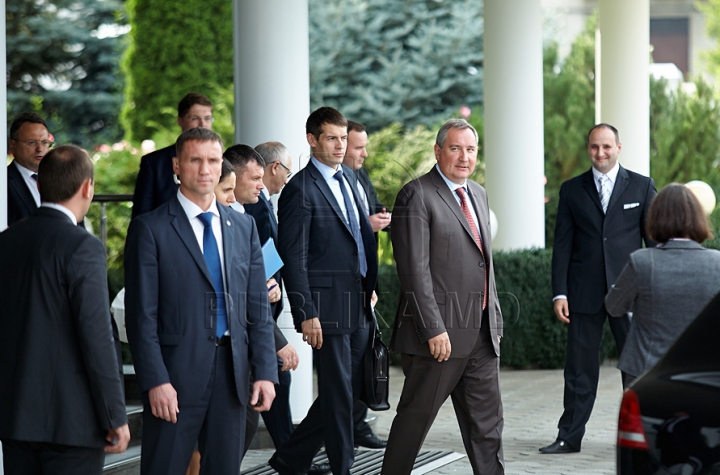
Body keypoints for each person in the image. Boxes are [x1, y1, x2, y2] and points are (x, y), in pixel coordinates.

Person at [124, 127, 278, 475]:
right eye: (195, 160)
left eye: (213, 160)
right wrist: (155, 381)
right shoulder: (150, 229)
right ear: (177, 166)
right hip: (174, 380)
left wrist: (266, 372)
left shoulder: (243, 227)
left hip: (233, 377)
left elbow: (256, 306)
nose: (206, 169)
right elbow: (141, 317)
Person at [381, 119, 504, 475]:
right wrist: (433, 329)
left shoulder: (477, 193)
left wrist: (493, 321)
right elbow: (413, 271)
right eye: (455, 149)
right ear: (438, 151)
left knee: (488, 430)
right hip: (438, 340)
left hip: (481, 335)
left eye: (470, 150)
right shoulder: (415, 195)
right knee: (413, 426)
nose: (464, 158)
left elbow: (484, 262)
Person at [0, 145, 130, 474]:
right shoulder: (83, 246)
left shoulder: (6, 241)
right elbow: (96, 336)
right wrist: (115, 415)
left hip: (14, 417)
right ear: (88, 187)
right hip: (71, 423)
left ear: (40, 186)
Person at [269, 107, 378, 475]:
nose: (339, 145)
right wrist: (306, 312)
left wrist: (370, 285)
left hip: (359, 301)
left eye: (343, 138)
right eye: (331, 138)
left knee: (347, 390)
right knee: (340, 393)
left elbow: (359, 237)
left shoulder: (350, 177)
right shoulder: (299, 190)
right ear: (312, 140)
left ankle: (291, 456)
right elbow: (293, 258)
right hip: (326, 309)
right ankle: (343, 467)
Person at [540, 123, 657, 455]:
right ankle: (569, 436)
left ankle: (643, 437)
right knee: (579, 370)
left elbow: (654, 242)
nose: (600, 153)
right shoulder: (571, 190)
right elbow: (561, 246)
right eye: (594, 147)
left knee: (637, 369)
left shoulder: (642, 186)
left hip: (632, 293)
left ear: (619, 147)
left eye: (607, 147)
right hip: (583, 294)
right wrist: (559, 292)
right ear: (587, 148)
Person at [605, 183, 720, 381]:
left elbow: (613, 306)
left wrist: (641, 300)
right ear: (698, 218)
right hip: (701, 372)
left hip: (645, 372)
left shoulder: (641, 261)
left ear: (656, 217)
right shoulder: (717, 263)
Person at [341, 121, 390, 450]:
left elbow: (370, 210)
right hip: (340, 294)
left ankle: (357, 425)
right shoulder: (325, 184)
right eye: (358, 147)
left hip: (363, 287)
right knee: (348, 374)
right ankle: (297, 452)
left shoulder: (359, 176)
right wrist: (366, 225)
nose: (364, 153)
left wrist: (384, 218)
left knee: (363, 365)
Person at [131, 92, 214, 219]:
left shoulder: (223, 163)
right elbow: (141, 215)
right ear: (180, 121)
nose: (202, 124)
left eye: (207, 118)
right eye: (195, 118)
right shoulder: (153, 163)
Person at [6, 112, 54, 226]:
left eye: (44, 142)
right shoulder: (4, 183)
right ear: (13, 145)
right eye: (31, 142)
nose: (40, 149)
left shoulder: (59, 179)